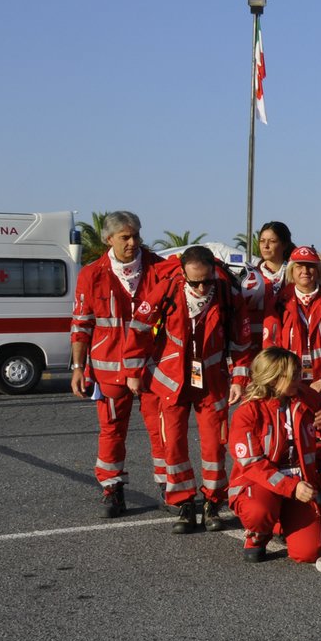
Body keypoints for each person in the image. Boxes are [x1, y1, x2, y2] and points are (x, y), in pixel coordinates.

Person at [124, 245, 252, 533]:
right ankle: (184, 503)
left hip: (213, 381)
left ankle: (213, 503)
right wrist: (133, 372)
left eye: (207, 280)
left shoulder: (227, 294)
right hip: (171, 381)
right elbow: (139, 327)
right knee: (174, 444)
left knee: (214, 447)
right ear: (183, 273)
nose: (201, 287)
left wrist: (240, 380)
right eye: (194, 282)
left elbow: (242, 343)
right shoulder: (167, 290)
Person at [70, 210, 172, 516]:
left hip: (154, 368)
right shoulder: (91, 274)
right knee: (112, 430)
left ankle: (170, 487)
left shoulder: (161, 269)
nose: (132, 242)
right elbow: (81, 324)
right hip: (109, 369)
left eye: (136, 235)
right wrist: (77, 367)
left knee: (160, 429)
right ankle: (112, 489)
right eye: (125, 237)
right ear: (109, 239)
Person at [227, 347, 321, 563]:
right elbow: (253, 465)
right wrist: (291, 488)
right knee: (258, 511)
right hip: (261, 482)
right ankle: (258, 533)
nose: (299, 379)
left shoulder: (307, 396)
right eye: (293, 375)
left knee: (310, 553)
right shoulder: (248, 412)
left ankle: (282, 522)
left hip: (302, 479)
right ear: (273, 379)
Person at [262, 245, 321, 427]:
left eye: (310, 266)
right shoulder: (279, 303)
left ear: (318, 270)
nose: (305, 271)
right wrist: (285, 382)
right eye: (299, 266)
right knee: (293, 440)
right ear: (291, 270)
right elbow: (270, 348)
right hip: (288, 388)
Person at [241, 220, 294, 322]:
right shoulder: (250, 276)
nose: (265, 246)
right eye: (262, 241)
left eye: (272, 241)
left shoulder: (295, 276)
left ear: (285, 245)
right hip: (256, 336)